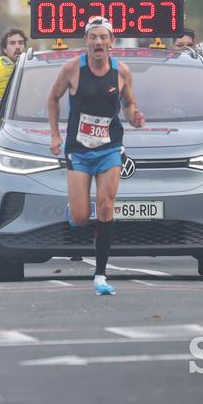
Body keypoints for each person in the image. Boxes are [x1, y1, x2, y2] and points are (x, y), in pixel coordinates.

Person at [47, 17, 146, 296]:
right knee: (80, 217)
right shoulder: (72, 69)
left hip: (109, 148)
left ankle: (100, 273)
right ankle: (74, 210)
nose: (98, 42)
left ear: (111, 42)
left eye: (103, 37)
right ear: (86, 41)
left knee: (105, 207)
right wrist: (55, 135)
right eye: (93, 37)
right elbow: (52, 99)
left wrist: (134, 116)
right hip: (79, 149)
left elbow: (129, 104)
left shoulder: (122, 72)